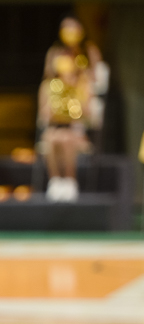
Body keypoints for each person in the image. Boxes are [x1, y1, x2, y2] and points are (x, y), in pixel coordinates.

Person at [38, 16, 108, 202]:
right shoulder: (50, 85)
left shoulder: (85, 74)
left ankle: (70, 182)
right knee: (52, 138)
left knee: (67, 138)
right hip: (56, 128)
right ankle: (56, 183)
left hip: (78, 130)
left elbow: (90, 107)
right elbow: (44, 113)